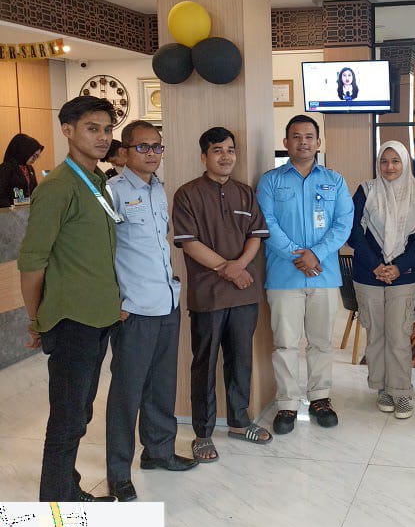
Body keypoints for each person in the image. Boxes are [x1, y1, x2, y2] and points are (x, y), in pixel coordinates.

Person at [17, 96, 120, 502]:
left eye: (107, 129)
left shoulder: (97, 181)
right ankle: (56, 499)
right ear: (67, 130)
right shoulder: (58, 187)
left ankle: (66, 486)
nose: (102, 137)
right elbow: (32, 263)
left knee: (80, 412)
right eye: (93, 128)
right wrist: (36, 320)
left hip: (98, 316)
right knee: (66, 416)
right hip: (71, 319)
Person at [105, 121, 197, 501]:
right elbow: (103, 250)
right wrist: (113, 299)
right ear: (125, 152)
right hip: (134, 308)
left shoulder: (159, 189)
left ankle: (158, 451)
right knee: (127, 393)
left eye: (157, 147)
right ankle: (118, 473)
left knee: (162, 385)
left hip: (166, 301)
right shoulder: (112, 191)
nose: (152, 154)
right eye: (142, 147)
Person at [172, 127, 272, 462]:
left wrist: (239, 266)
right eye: (218, 150)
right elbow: (189, 243)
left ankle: (239, 422)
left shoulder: (245, 193)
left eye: (230, 150)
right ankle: (202, 433)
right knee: (204, 363)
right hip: (208, 295)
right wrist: (226, 269)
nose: (226, 156)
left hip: (244, 293)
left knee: (240, 360)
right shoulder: (187, 194)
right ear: (204, 156)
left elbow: (256, 235)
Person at [257, 115, 353, 435]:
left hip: (323, 274)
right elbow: (266, 222)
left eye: (309, 136)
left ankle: (320, 399)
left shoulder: (334, 181)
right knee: (285, 343)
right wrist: (298, 256)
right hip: (284, 275)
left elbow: (343, 223)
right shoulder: (270, 181)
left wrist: (316, 254)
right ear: (286, 143)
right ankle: (287, 403)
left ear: (318, 142)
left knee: (321, 342)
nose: (303, 142)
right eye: (296, 137)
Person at [349, 141, 415, 419]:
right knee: (376, 335)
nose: (390, 167)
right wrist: (376, 265)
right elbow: (353, 232)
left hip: (402, 276)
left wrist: (398, 267)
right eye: (384, 161)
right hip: (367, 274)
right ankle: (383, 388)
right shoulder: (366, 191)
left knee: (399, 335)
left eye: (396, 161)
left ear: (405, 163)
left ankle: (402, 391)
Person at [0, 133, 43, 206]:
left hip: (26, 210)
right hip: (10, 211)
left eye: (37, 156)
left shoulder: (29, 168)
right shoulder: (6, 168)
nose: (35, 159)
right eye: (33, 155)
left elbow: (34, 190)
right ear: (24, 151)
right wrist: (12, 206)